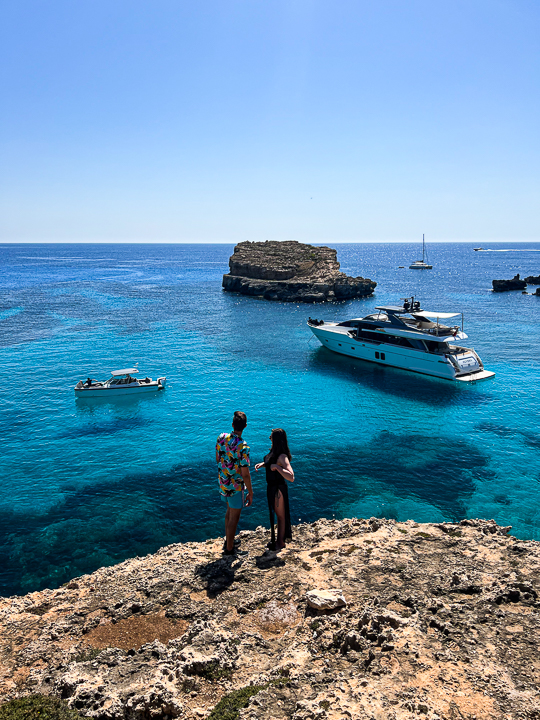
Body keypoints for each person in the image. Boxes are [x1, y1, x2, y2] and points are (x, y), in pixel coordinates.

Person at [216, 411, 253, 555]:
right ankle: (230, 549)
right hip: (236, 487)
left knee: (229, 512)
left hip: (223, 483)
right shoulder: (243, 446)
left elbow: (218, 459)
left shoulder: (221, 437)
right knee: (234, 517)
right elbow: (245, 474)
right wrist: (250, 492)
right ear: (245, 426)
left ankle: (228, 540)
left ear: (232, 425)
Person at [255, 428, 294, 551]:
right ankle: (277, 540)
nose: (269, 438)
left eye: (271, 436)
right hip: (271, 487)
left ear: (276, 439)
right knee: (277, 515)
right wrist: (264, 464)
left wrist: (277, 467)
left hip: (278, 489)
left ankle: (280, 542)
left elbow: (291, 476)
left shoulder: (282, 456)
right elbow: (271, 462)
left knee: (281, 516)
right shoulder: (274, 452)